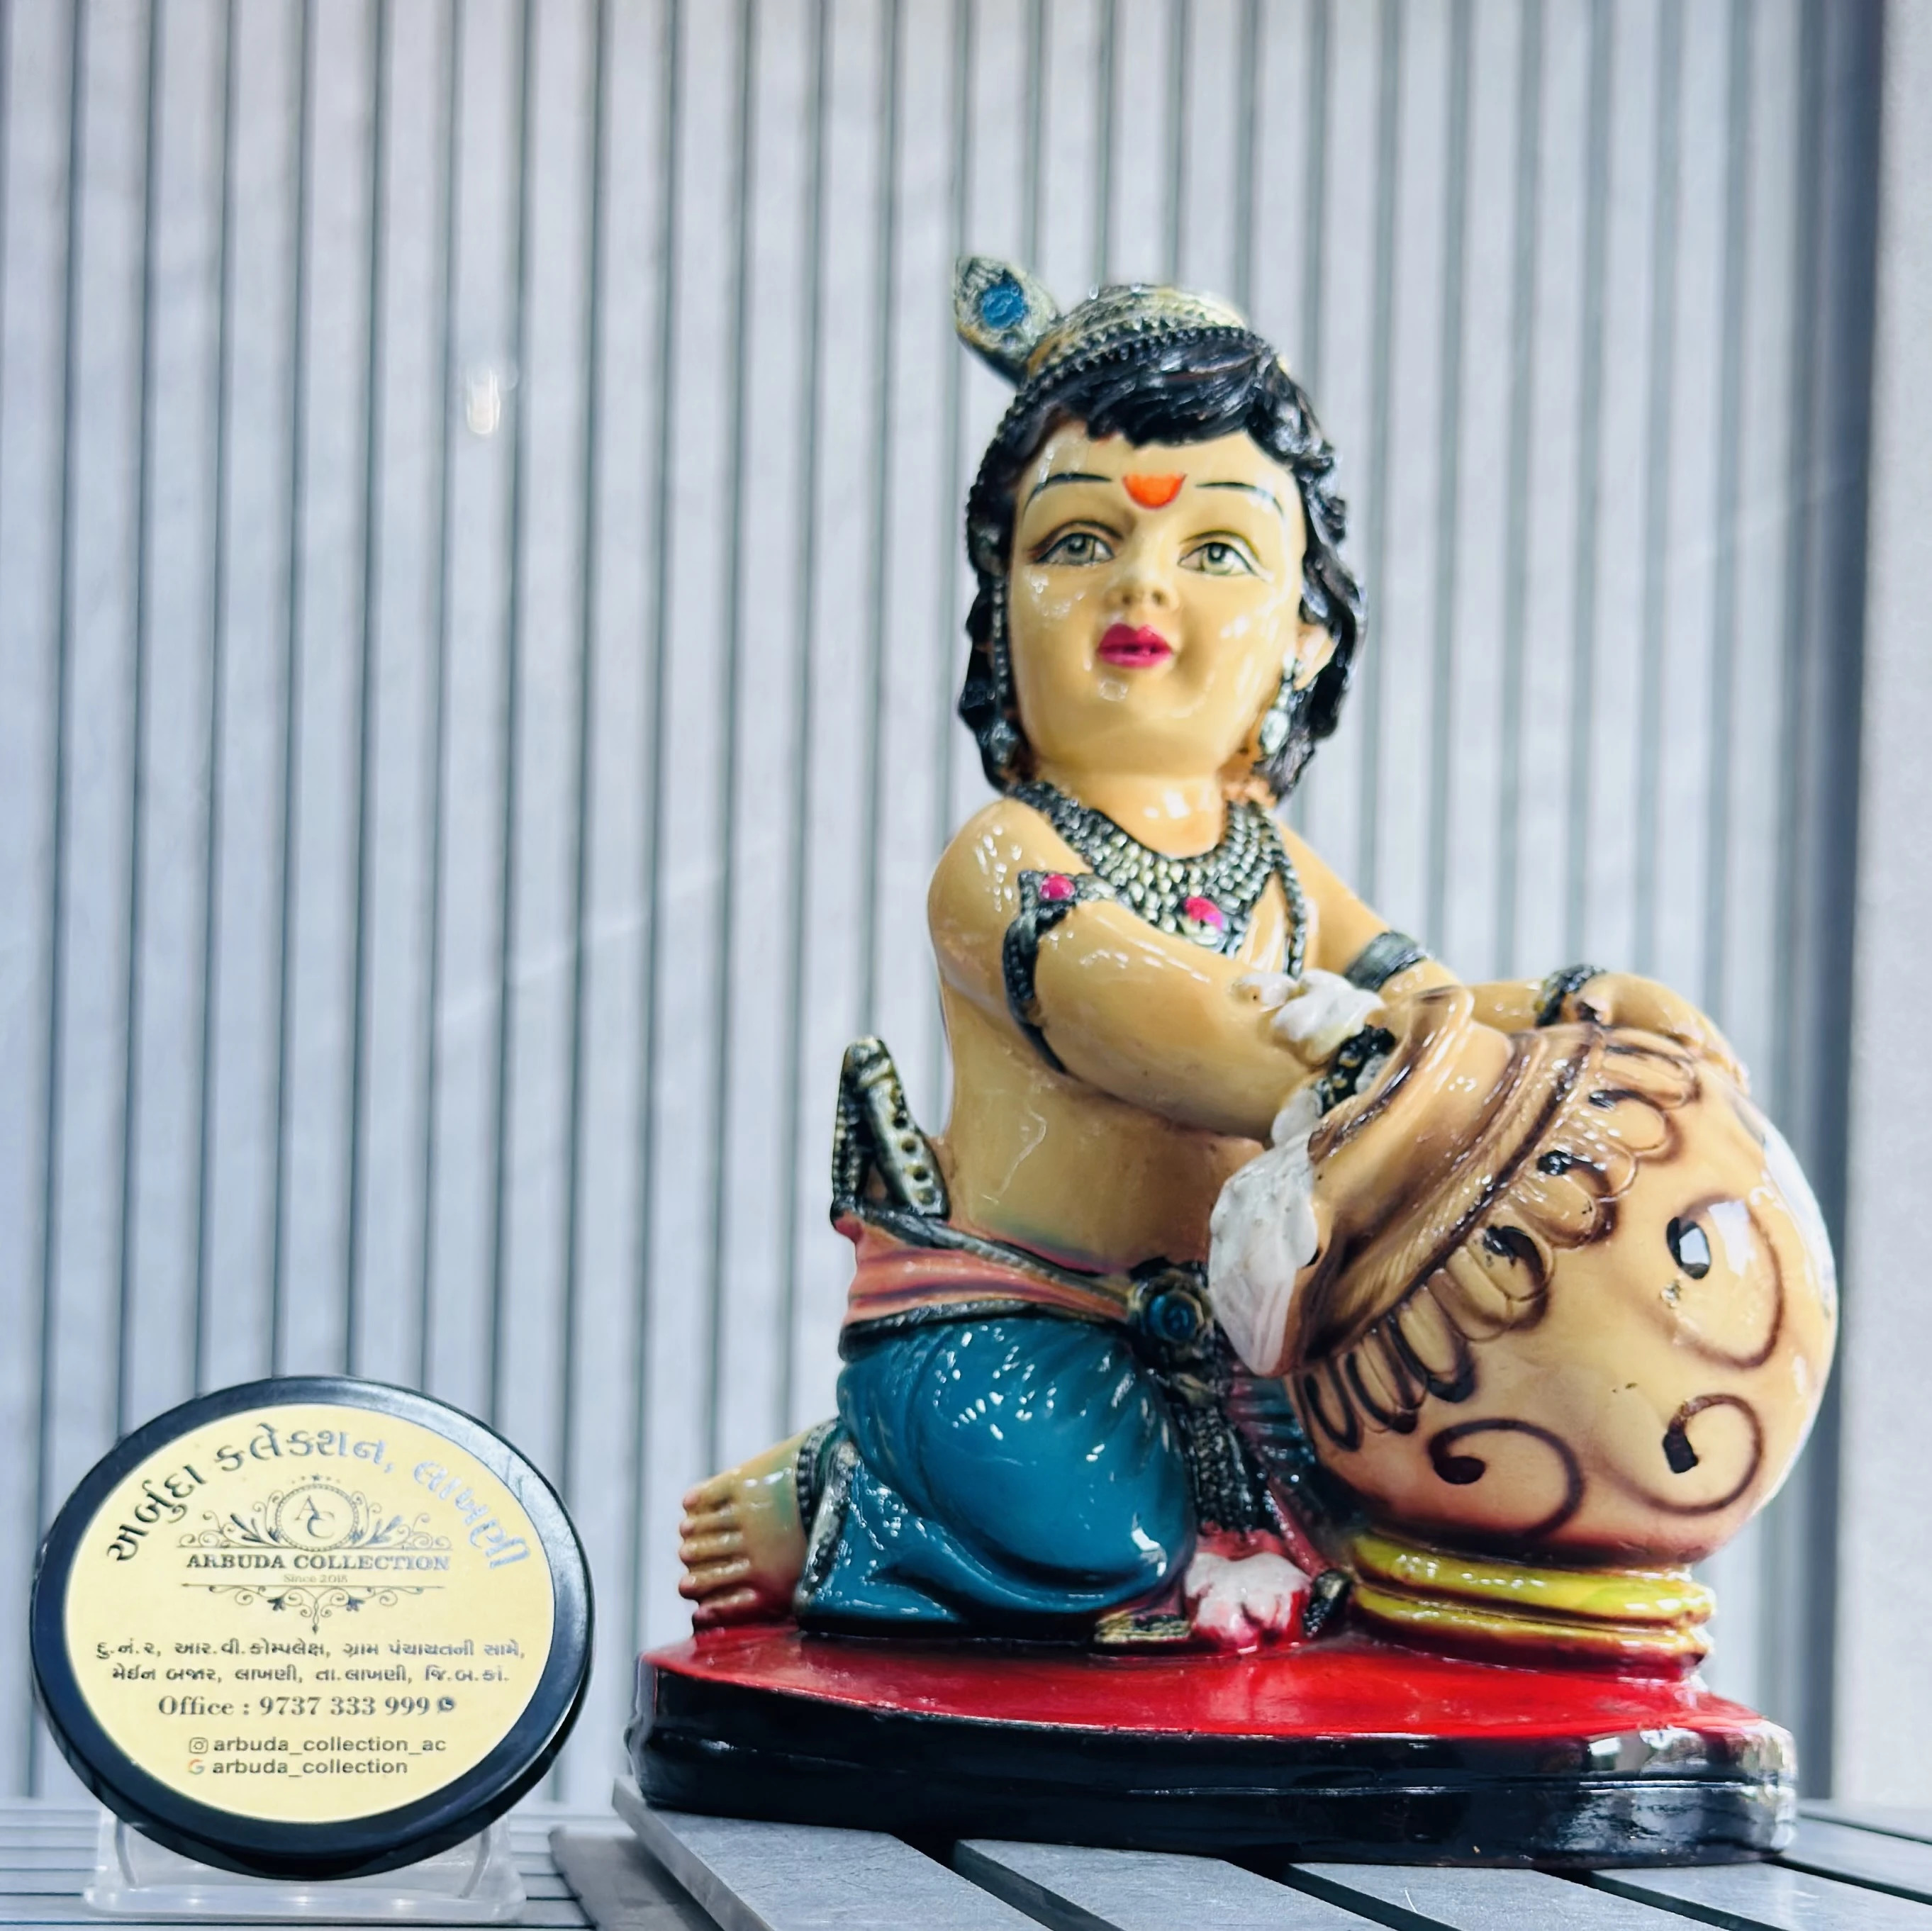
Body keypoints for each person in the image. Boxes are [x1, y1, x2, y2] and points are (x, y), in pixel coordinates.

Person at [674, 262, 1763, 1652]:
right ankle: (850, 1492)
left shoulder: (1276, 865)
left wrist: (1565, 1011)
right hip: (1024, 1328)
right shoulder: (1005, 861)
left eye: (1218, 550)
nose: (1141, 582)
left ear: (1306, 635)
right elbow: (1139, 1010)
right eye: (1078, 542)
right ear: (1002, 609)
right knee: (1111, 1546)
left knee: (1384, 1501)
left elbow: (1419, 999)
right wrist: (1356, 1069)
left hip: (1242, 1353)